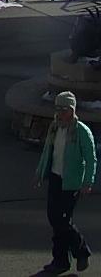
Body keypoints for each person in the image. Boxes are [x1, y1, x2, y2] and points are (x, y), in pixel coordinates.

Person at [35, 91, 95, 273]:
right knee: (54, 219)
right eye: (58, 108)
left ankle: (81, 250)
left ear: (72, 110)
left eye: (64, 109)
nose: (60, 113)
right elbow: (48, 152)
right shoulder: (55, 127)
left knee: (62, 221)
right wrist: (39, 173)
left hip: (71, 183)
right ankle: (60, 260)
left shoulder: (81, 131)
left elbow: (91, 159)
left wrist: (87, 182)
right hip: (55, 177)